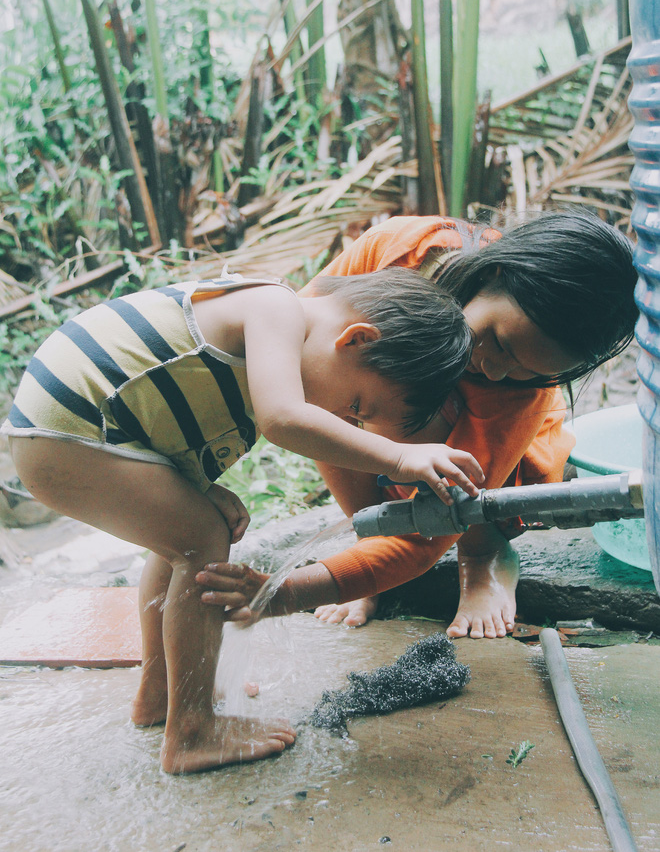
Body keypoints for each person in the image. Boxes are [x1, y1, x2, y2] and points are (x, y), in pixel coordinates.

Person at [2, 267, 484, 774]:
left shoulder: (265, 344)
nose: (344, 420)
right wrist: (400, 459)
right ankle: (191, 732)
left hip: (75, 432)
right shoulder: (277, 308)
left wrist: (202, 487)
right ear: (357, 339)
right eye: (357, 406)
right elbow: (283, 420)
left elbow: (158, 409)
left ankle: (162, 690)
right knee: (200, 539)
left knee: (188, 533)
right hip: (70, 427)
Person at [195, 212, 638, 636]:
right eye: (501, 343)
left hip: (487, 448)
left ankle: (483, 554)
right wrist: (362, 559)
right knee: (341, 391)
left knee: (461, 479)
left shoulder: (520, 393)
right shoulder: (399, 252)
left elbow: (437, 525)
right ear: (492, 274)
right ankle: (367, 544)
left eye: (531, 369)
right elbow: (304, 377)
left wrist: (289, 593)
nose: (496, 370)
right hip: (400, 415)